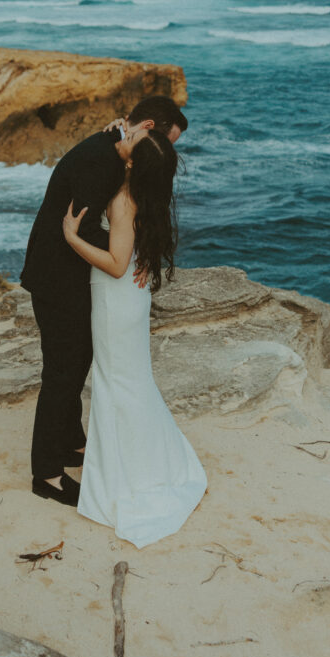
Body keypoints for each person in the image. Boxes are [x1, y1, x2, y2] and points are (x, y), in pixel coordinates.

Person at [20, 96, 188, 507]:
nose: (167, 148)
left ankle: (71, 442)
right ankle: (46, 473)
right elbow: (73, 226)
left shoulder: (116, 145)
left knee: (77, 363)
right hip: (56, 277)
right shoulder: (102, 164)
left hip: (73, 275)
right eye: (166, 138)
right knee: (61, 372)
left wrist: (133, 250)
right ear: (146, 127)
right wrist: (126, 254)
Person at [63, 129, 207, 548]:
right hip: (133, 299)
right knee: (132, 382)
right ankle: (150, 461)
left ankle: (128, 474)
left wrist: (72, 237)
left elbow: (114, 263)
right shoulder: (150, 195)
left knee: (117, 384)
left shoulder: (125, 200)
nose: (128, 136)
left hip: (115, 301)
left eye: (135, 138)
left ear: (132, 163)